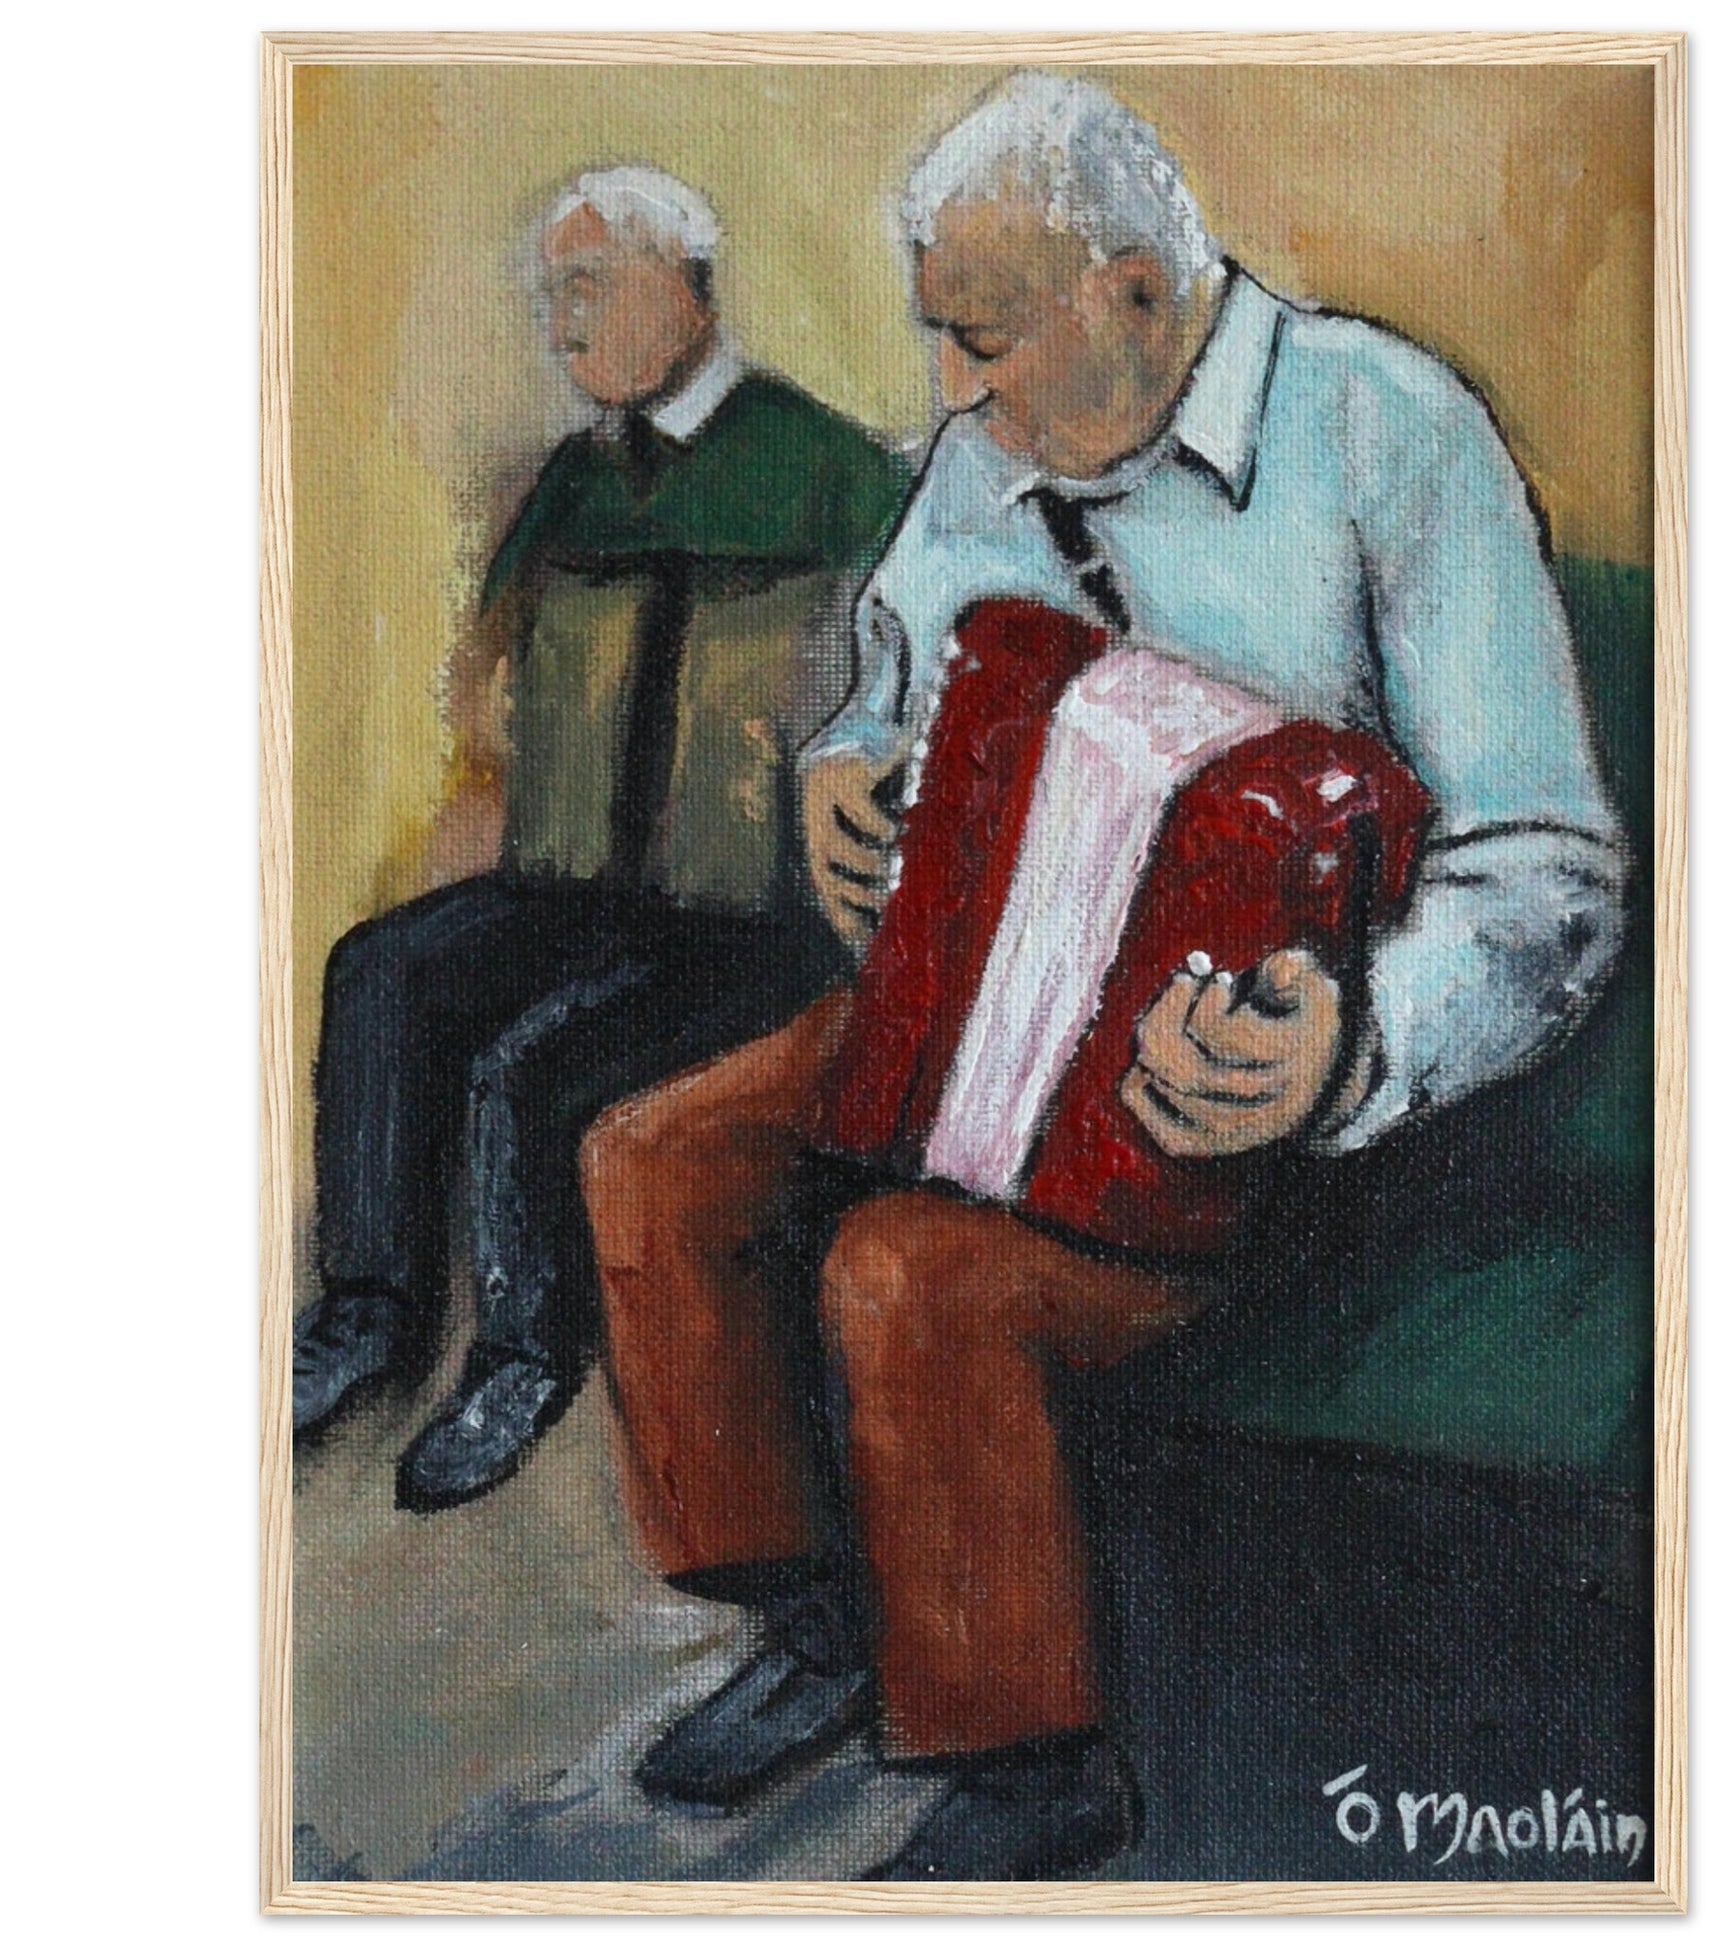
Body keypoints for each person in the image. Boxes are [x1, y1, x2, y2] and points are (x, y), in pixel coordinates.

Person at [577, 75, 1628, 1880]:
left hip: (1257, 1082)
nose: (947, 394)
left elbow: (1546, 866)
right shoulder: (992, 448)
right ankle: (815, 1624)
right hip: (983, 996)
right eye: (938, 338)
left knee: (907, 1267)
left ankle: (1024, 1759)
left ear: (1136, 293)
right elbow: (888, 693)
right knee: (654, 1161)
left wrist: (1349, 1043)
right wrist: (846, 771)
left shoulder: (1386, 429)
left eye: (982, 339)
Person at [294, 165, 910, 1513]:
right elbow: (488, 671)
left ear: (685, 289)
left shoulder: (827, 466)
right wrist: (495, 757)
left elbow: (911, 683)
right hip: (578, 880)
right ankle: (368, 1309)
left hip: (749, 916)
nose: (561, 324)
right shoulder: (577, 478)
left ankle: (524, 1357)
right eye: (548, 297)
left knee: (533, 1067)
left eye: (587, 288)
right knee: (379, 967)